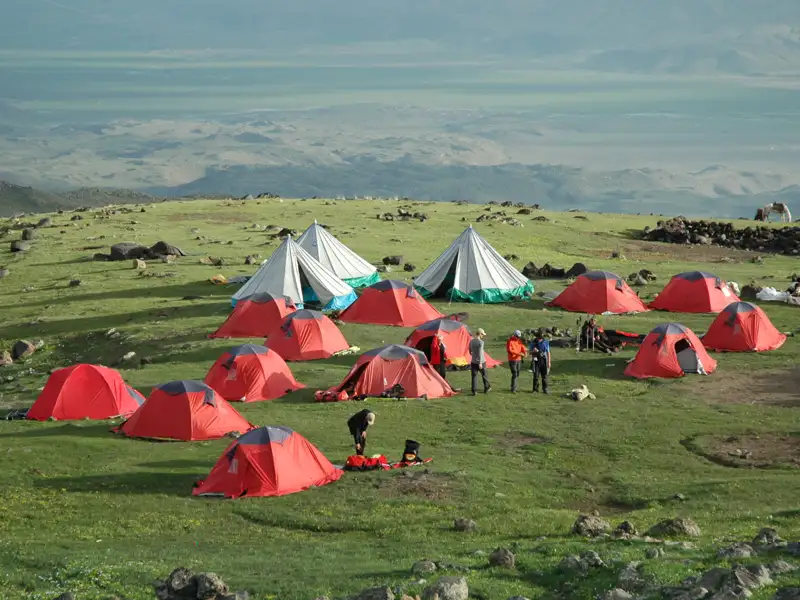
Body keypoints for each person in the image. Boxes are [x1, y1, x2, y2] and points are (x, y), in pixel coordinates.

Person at [469, 328, 491, 395]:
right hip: (481, 362)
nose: (483, 336)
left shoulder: (472, 341)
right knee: (484, 375)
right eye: (483, 334)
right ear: (480, 334)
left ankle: (474, 390)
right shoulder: (481, 342)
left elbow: (469, 350)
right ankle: (486, 388)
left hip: (473, 361)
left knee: (474, 377)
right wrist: (480, 363)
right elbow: (480, 353)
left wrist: (472, 355)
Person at [529, 329, 551, 394]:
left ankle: (545, 389)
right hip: (536, 361)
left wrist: (549, 362)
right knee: (536, 375)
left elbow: (548, 352)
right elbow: (530, 352)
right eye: (539, 337)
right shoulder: (533, 342)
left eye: (541, 337)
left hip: (544, 360)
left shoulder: (545, 342)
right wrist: (533, 351)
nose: (540, 338)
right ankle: (535, 389)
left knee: (544, 376)